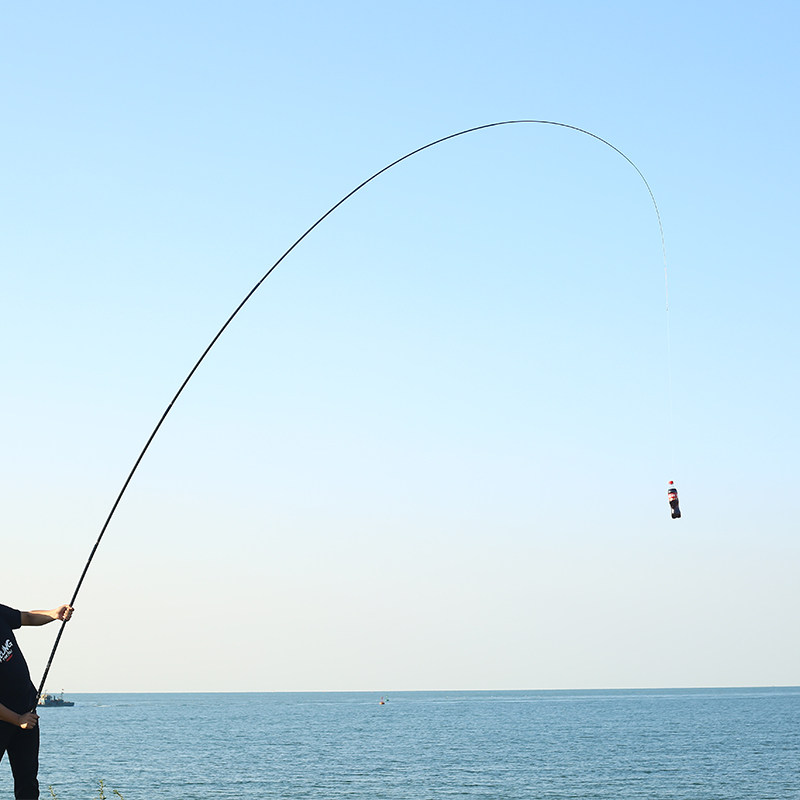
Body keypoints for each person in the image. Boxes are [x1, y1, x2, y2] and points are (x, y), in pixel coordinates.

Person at [0, 603, 74, 800]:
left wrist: (54, 614)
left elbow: (27, 617)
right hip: (7, 718)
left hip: (27, 711)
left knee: (28, 782)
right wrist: (17, 720)